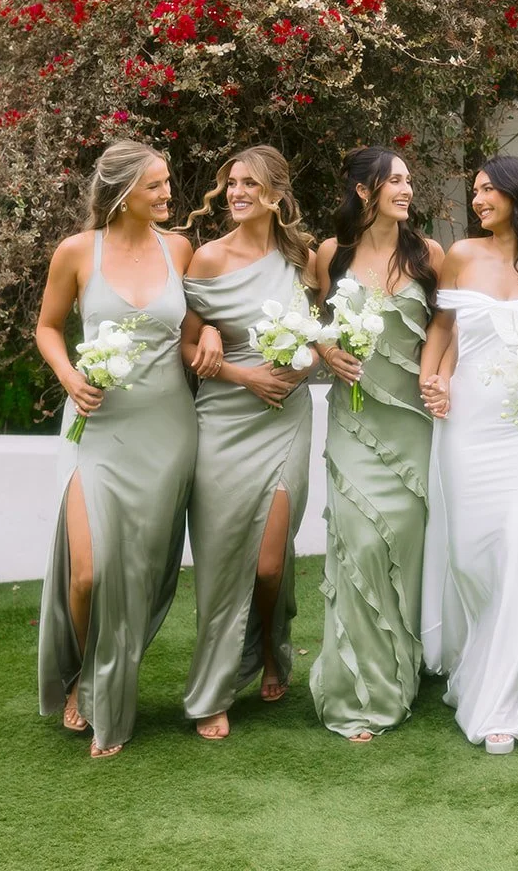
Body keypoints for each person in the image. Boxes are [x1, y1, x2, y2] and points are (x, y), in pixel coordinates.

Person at [36, 140, 199, 758]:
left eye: (166, 184)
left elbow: (192, 328)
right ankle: (79, 673)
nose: (167, 195)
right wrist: (70, 377)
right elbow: (48, 327)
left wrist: (207, 332)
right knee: (89, 573)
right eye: (156, 186)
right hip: (96, 428)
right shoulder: (78, 253)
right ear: (124, 192)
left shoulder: (178, 249)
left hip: (167, 429)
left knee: (141, 573)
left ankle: (103, 686)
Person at [419, 156, 518, 754]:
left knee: (514, 547)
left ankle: (505, 704)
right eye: (477, 190)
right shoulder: (461, 254)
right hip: (468, 422)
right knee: (470, 556)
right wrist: (431, 381)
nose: (479, 198)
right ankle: (473, 666)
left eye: (489, 190)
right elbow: (442, 331)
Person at [180, 146, 318, 740]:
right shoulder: (207, 259)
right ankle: (213, 689)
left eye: (249, 185)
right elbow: (185, 348)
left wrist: (303, 365)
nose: (235, 193)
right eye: (230, 183)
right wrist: (238, 368)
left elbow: (319, 336)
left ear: (275, 195)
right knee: (218, 559)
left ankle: (268, 647)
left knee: (267, 563)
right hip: (224, 415)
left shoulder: (302, 259)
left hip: (285, 414)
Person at [311, 147, 442, 741]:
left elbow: (447, 328)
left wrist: (440, 377)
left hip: (412, 424)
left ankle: (401, 670)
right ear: (364, 190)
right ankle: (356, 687)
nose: (407, 189)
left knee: (404, 548)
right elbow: (311, 323)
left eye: (409, 181)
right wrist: (324, 352)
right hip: (353, 421)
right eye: (395, 180)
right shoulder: (330, 254)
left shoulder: (429, 255)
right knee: (360, 541)